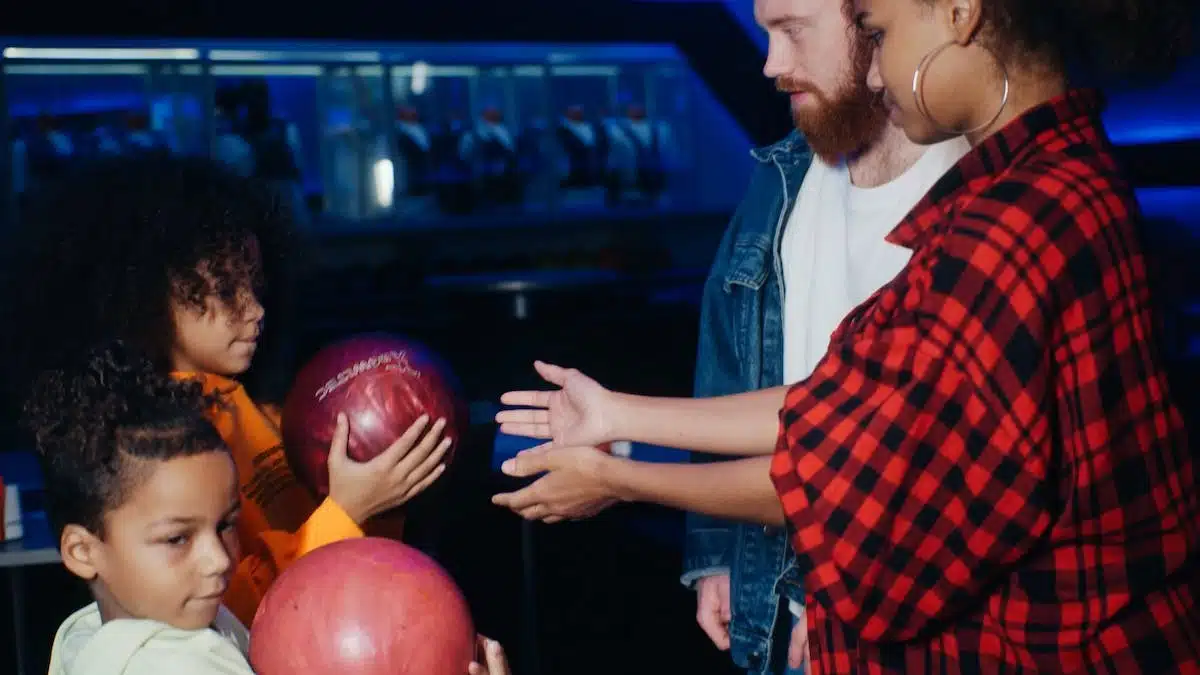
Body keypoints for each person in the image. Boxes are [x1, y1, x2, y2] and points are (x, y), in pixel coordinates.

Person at [492, 0, 1200, 668]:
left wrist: (619, 476)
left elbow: (850, 483)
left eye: (879, 33)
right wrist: (619, 414)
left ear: (959, 12)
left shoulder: (1008, 228)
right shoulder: (1048, 179)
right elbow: (839, 402)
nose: (870, 69)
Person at [498, 0, 968, 670]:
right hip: (779, 609)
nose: (771, 63)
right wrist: (716, 544)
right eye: (762, 33)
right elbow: (742, 366)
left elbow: (887, 455)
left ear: (871, 22)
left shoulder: (978, 194)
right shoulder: (779, 179)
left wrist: (618, 469)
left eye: (791, 32)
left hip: (898, 619)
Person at [0, 155, 450, 626]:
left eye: (255, 286)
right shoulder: (155, 444)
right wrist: (350, 510)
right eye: (226, 291)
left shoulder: (252, 406)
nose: (255, 309)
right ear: (146, 297)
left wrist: (389, 490)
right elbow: (225, 608)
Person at [27, 342, 257, 675]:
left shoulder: (82, 632)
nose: (219, 559)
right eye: (177, 539)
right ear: (82, 551)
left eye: (226, 525)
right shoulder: (184, 667)